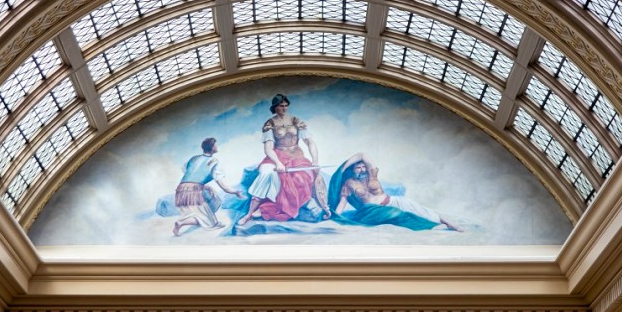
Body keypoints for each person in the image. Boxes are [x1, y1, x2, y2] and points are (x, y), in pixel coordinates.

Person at [238, 94, 331, 225]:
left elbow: (310, 142)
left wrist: (315, 160)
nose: (284, 108)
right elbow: (268, 148)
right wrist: (278, 163)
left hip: (297, 158)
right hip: (276, 157)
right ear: (275, 107)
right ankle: (249, 214)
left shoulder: (296, 121)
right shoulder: (269, 124)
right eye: (281, 106)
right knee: (266, 174)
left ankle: (273, 209)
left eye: (286, 105)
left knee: (301, 178)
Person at [328, 152, 463, 232]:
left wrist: (345, 166)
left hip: (393, 201)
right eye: (359, 167)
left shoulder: (372, 175)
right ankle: (435, 226)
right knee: (398, 215)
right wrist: (335, 216)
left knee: (427, 214)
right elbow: (343, 202)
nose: (363, 169)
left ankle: (450, 225)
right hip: (375, 210)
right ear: (353, 169)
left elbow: (362, 154)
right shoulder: (349, 183)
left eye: (364, 167)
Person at [173, 138, 244, 236]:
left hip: (181, 189)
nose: (217, 146)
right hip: (193, 192)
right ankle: (181, 223)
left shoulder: (194, 158)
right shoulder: (214, 162)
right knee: (207, 222)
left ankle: (203, 217)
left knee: (209, 202)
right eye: (216, 145)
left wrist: (204, 186)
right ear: (212, 147)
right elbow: (223, 186)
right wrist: (235, 192)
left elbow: (187, 172)